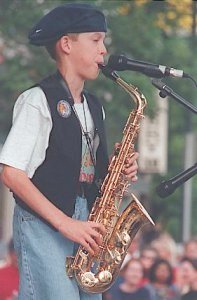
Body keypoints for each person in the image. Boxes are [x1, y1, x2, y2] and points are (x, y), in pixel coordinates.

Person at [0, 3, 139, 300]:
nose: (103, 50)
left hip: (85, 222)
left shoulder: (93, 105)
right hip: (45, 224)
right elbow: (11, 173)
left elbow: (83, 170)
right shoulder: (37, 100)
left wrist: (116, 171)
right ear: (66, 44)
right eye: (95, 40)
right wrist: (65, 224)